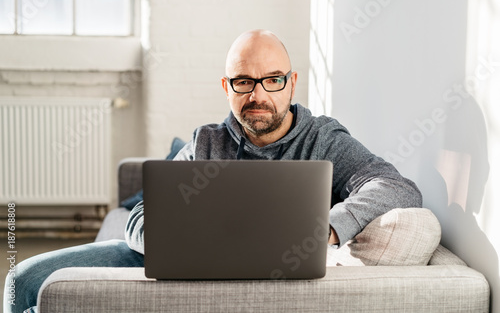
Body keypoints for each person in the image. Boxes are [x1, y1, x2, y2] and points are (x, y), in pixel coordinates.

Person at [4, 29, 422, 313]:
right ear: (227, 87)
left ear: (291, 83)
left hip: (284, 267)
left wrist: (328, 227)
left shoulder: (324, 139)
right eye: (243, 81)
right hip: (181, 263)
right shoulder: (207, 142)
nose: (257, 95)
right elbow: (140, 214)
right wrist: (173, 247)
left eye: (271, 80)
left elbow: (397, 188)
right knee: (21, 279)